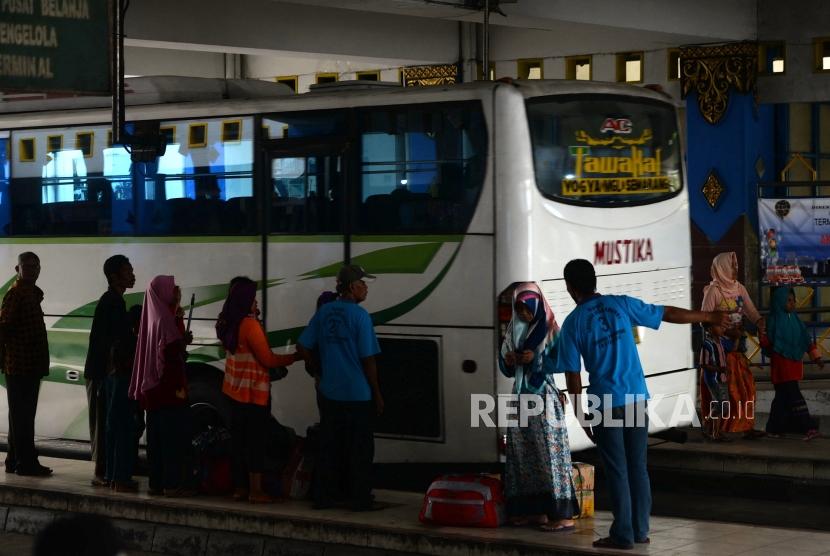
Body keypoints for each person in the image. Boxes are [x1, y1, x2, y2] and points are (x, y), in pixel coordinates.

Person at [557, 259, 728, 550]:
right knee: (638, 467)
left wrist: (580, 415)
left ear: (570, 288)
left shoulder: (573, 323)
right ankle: (640, 530)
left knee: (618, 469)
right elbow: (667, 313)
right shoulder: (621, 305)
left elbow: (573, 377)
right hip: (636, 397)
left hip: (605, 403)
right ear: (594, 280)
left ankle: (622, 534)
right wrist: (708, 316)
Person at [298, 264, 383, 511]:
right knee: (360, 449)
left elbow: (303, 346)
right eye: (363, 284)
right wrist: (377, 393)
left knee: (330, 445)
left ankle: (324, 497)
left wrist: (318, 369)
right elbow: (369, 359)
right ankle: (359, 499)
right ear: (352, 287)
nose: (366, 288)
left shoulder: (324, 312)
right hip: (357, 394)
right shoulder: (360, 316)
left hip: (329, 393)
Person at [498, 282, 578, 531]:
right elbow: (505, 365)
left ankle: (561, 514)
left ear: (537, 304)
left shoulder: (551, 328)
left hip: (544, 396)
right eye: (519, 308)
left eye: (527, 308)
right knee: (523, 454)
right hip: (521, 397)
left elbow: (565, 361)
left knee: (549, 454)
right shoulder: (514, 328)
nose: (524, 314)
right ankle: (533, 510)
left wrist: (537, 359)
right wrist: (510, 361)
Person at [217, 277, 299, 503]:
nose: (256, 303)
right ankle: (256, 491)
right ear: (245, 301)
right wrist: (295, 357)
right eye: (253, 299)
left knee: (239, 442)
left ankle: (240, 488)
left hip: (233, 391)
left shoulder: (228, 323)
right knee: (255, 443)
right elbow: (268, 359)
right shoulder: (250, 325)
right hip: (253, 394)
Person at [129, 275, 190, 496]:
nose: (175, 293)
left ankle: (156, 483)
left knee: (155, 440)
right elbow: (171, 355)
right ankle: (172, 484)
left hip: (152, 391)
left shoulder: (151, 318)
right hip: (168, 390)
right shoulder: (166, 320)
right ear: (162, 293)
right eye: (172, 289)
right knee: (171, 439)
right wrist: (183, 345)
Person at [700, 252, 766, 438]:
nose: (736, 269)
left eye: (736, 266)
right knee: (727, 392)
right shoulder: (713, 291)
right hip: (721, 352)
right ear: (722, 269)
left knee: (746, 388)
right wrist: (726, 331)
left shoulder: (739, 288)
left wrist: (759, 321)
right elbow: (703, 320)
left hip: (738, 349)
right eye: (732, 266)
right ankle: (716, 429)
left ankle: (746, 426)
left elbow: (750, 309)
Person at [84, 254, 135, 487]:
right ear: (114, 276)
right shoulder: (112, 302)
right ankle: (101, 472)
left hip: (103, 372)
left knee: (107, 420)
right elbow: (117, 336)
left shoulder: (113, 300)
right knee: (105, 421)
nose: (132, 274)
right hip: (103, 373)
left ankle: (105, 470)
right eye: (127, 271)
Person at [0, 252, 52, 477]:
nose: (32, 270)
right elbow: (4, 328)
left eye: (35, 266)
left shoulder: (30, 294)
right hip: (20, 365)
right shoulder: (16, 295)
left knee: (20, 416)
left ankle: (14, 459)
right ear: (17, 269)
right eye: (27, 266)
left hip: (29, 365)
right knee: (23, 416)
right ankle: (26, 462)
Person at [760, 287, 823, 440]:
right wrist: (762, 334)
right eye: (788, 300)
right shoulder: (773, 321)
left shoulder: (795, 320)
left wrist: (817, 357)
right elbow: (767, 345)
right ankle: (808, 427)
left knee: (781, 398)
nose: (793, 303)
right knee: (795, 395)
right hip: (781, 367)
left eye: (793, 300)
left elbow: (806, 340)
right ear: (779, 301)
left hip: (793, 366)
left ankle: (773, 428)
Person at [106, 304, 142, 492]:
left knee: (113, 431)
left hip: (114, 383)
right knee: (125, 432)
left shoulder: (118, 338)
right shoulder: (133, 341)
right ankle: (121, 479)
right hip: (124, 386)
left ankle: (111, 476)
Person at [699, 322, 731, 442]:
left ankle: (713, 430)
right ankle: (709, 426)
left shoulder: (721, 342)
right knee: (721, 405)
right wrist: (719, 369)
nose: (722, 328)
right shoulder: (707, 344)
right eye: (719, 326)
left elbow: (733, 347)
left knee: (722, 406)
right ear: (710, 329)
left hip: (721, 378)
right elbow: (703, 364)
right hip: (713, 379)